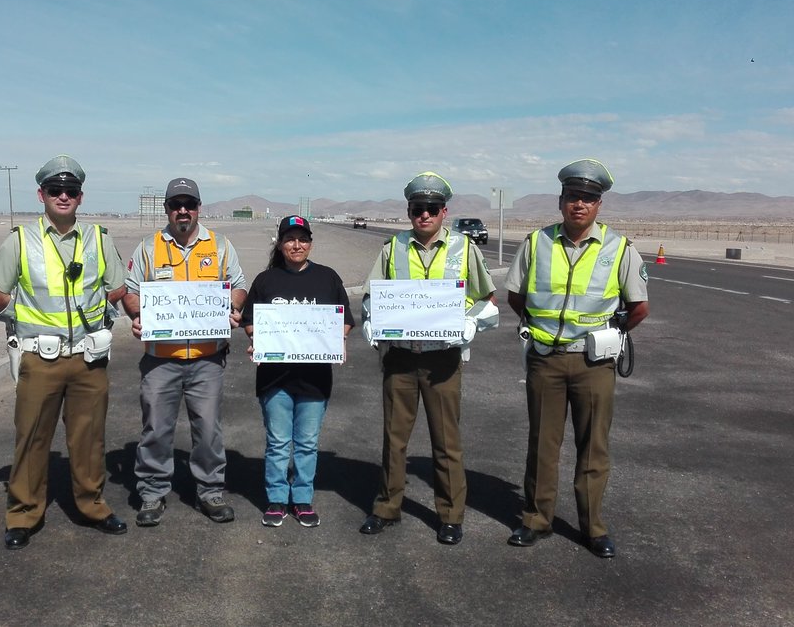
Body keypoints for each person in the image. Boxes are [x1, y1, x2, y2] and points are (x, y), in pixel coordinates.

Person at [503, 158, 650, 559]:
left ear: (599, 205)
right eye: (573, 197)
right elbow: (517, 297)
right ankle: (536, 519)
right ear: (561, 200)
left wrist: (610, 335)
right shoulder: (536, 243)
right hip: (546, 361)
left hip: (594, 366)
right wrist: (541, 331)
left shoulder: (620, 248)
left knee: (593, 447)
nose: (579, 205)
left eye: (588, 198)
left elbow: (638, 307)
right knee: (542, 444)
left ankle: (593, 527)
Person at [0, 155, 129, 550]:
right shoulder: (20, 240)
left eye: (70, 191)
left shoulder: (99, 238)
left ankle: (92, 506)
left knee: (89, 438)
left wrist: (101, 311)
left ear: (80, 197)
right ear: (41, 194)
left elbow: (118, 286)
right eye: (54, 190)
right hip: (41, 358)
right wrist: (25, 319)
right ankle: (24, 514)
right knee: (31, 437)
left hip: (88, 358)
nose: (62, 197)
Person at [358, 172, 498, 545]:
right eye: (418, 208)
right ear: (409, 211)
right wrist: (370, 318)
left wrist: (472, 321)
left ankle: (451, 515)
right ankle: (387, 506)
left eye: (432, 209)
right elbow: (372, 294)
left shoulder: (464, 249)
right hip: (400, 359)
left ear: (444, 211)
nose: (424, 215)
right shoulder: (392, 248)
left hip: (442, 362)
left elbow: (487, 298)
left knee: (446, 440)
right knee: (394, 438)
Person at [122, 177, 247, 526]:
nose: (183, 211)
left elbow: (238, 285)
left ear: (198, 208)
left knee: (208, 429)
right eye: (176, 204)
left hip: (207, 359)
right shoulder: (148, 248)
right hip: (161, 359)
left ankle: (210, 491)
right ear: (166, 208)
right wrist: (137, 314)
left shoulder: (220, 245)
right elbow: (130, 291)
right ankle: (151, 493)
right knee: (156, 429)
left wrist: (233, 307)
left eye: (189, 204)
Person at [240, 216, 354, 528]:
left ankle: (302, 499)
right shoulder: (266, 280)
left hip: (315, 379)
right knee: (277, 442)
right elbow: (249, 319)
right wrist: (258, 339)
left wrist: (336, 340)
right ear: (280, 243)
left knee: (306, 443)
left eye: (302, 238)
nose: (296, 244)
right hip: (275, 379)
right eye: (289, 238)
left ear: (310, 243)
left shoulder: (328, 278)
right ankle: (277, 498)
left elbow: (345, 319)